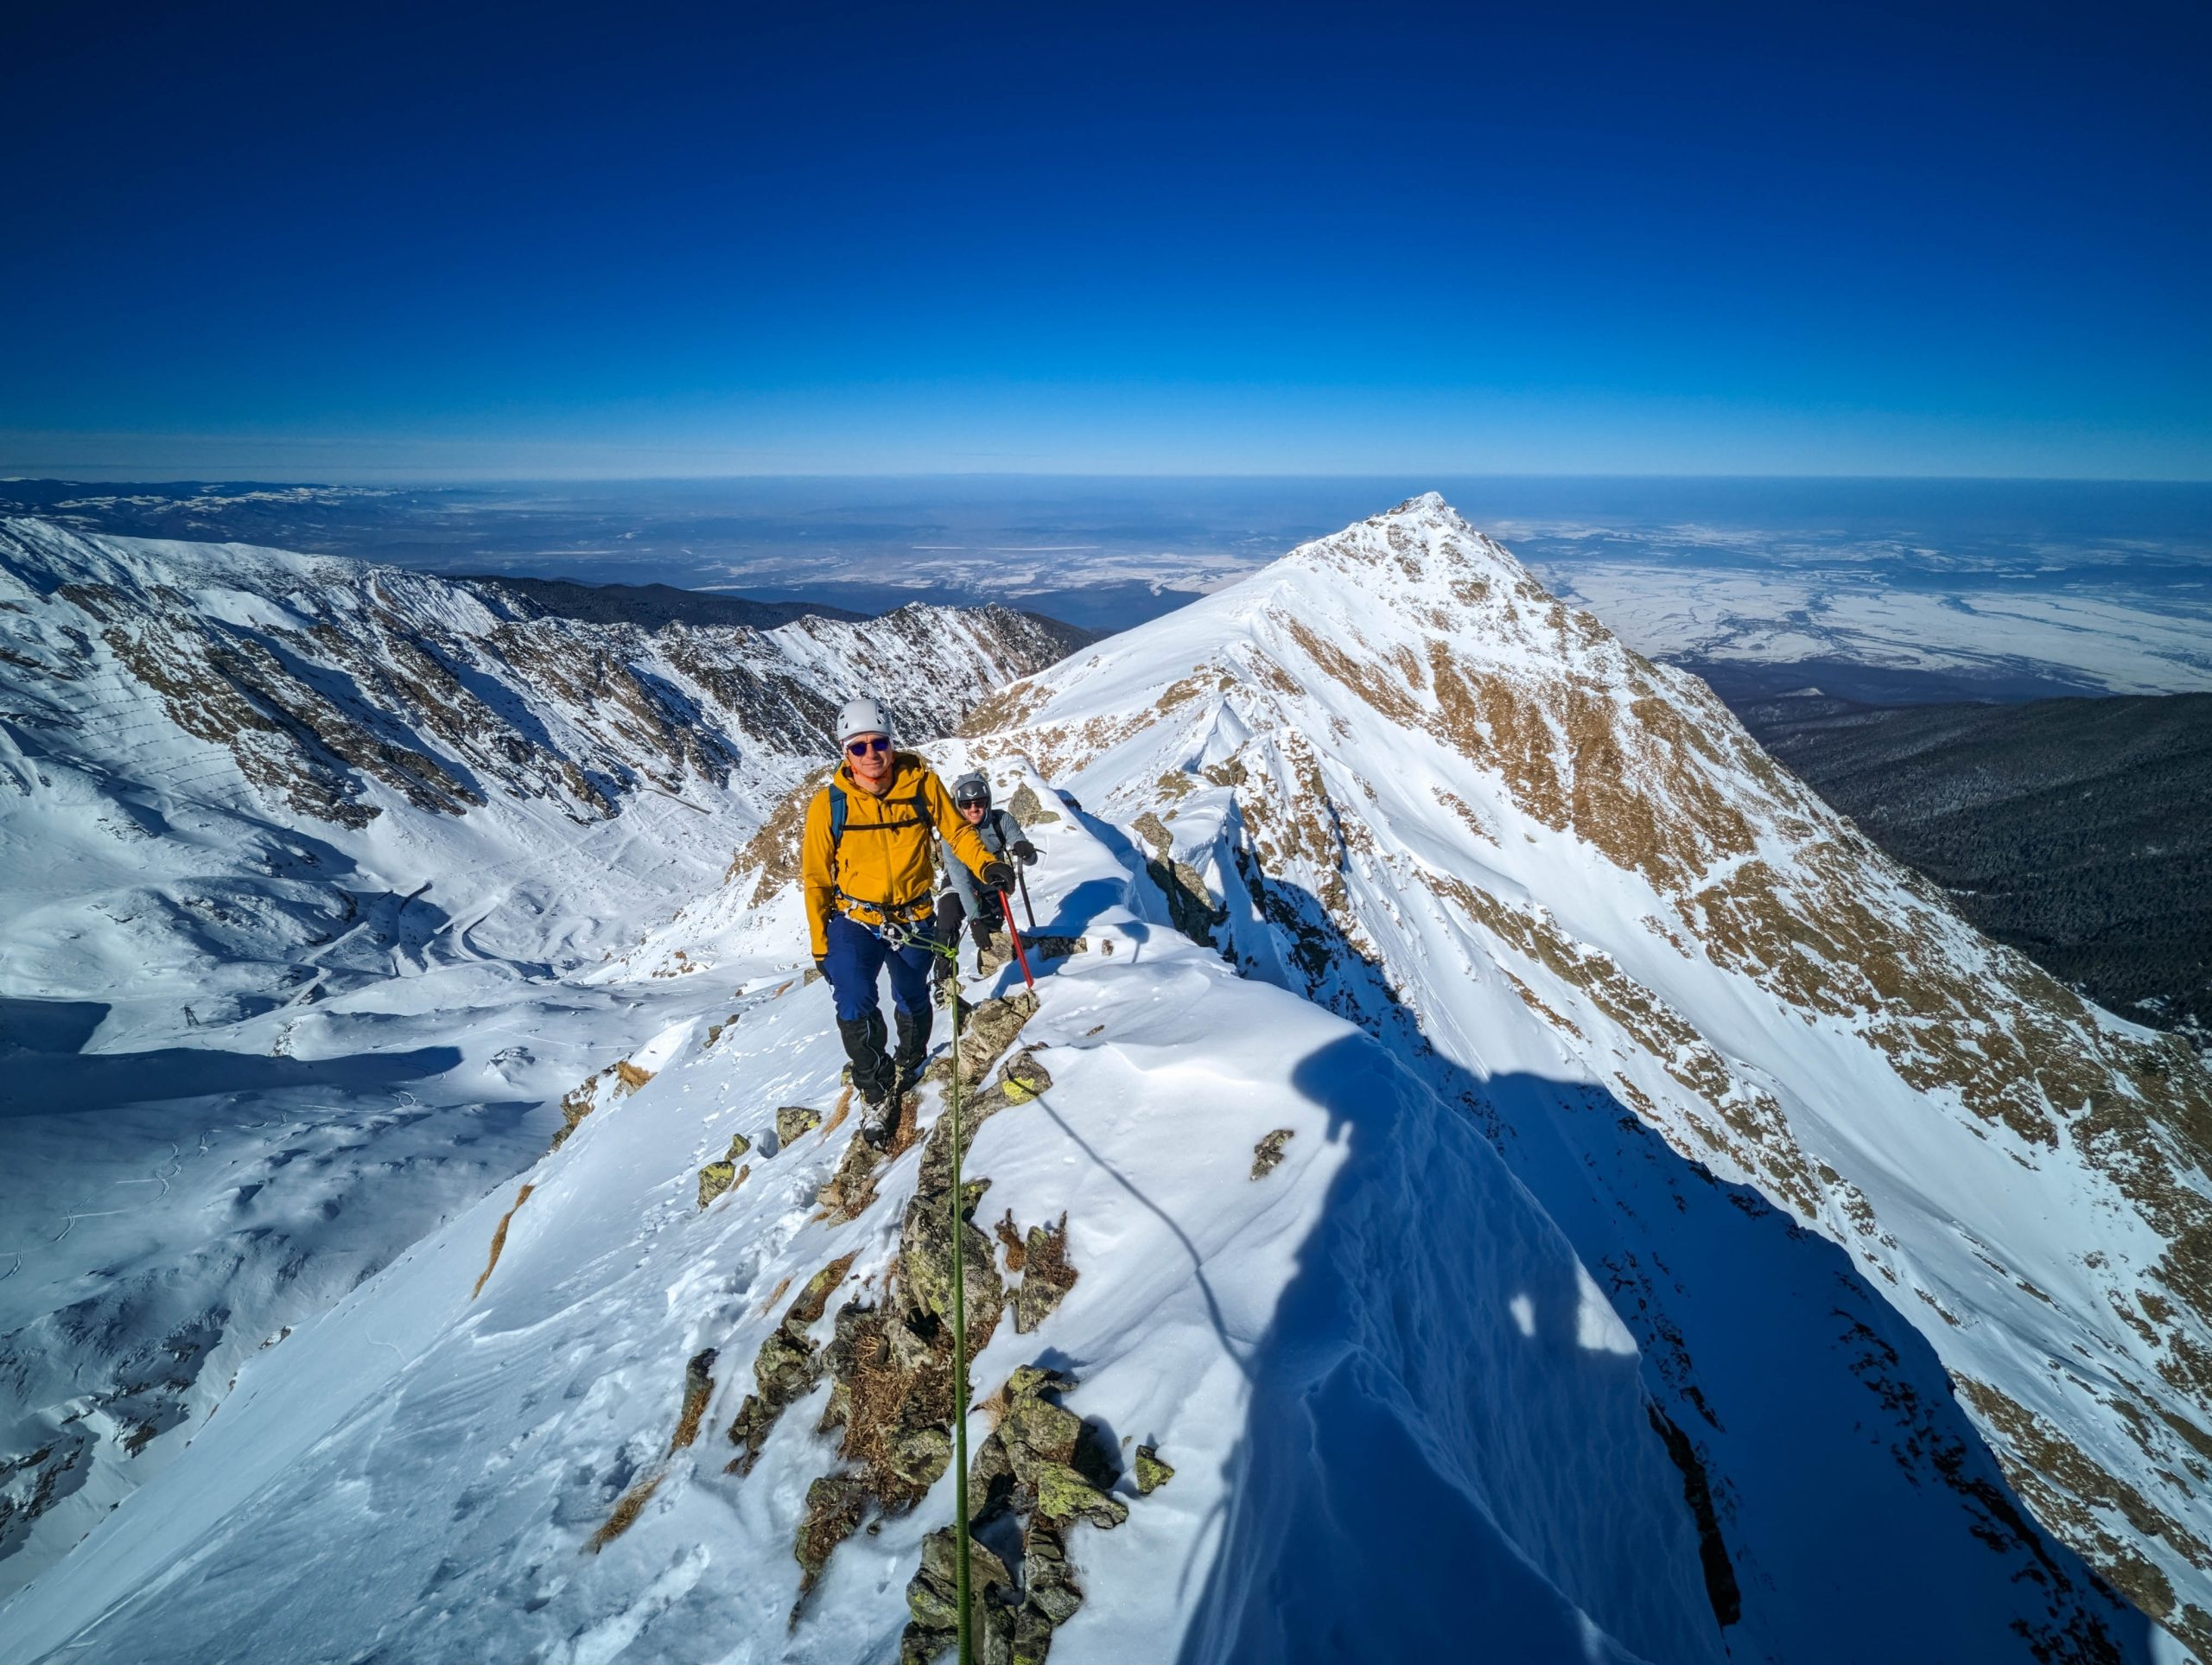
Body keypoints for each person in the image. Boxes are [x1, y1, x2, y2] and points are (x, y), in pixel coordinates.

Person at [801, 696, 1012, 1147]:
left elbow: (957, 832)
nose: (871, 754)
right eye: (859, 747)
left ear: (892, 744)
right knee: (854, 1000)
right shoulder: (829, 805)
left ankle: (911, 1062)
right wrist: (821, 943)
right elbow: (816, 877)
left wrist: (987, 863)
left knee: (913, 996)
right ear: (845, 752)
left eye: (879, 743)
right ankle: (874, 1090)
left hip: (914, 916)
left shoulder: (922, 785)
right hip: (855, 919)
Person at [932, 772, 1039, 977]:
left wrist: (1025, 850)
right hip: (958, 881)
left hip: (991, 882)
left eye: (979, 803)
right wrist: (974, 920)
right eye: (966, 804)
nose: (973, 809)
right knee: (948, 916)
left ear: (987, 801)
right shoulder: (951, 835)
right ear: (958, 806)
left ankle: (990, 975)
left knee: (990, 935)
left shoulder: (1001, 821)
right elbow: (960, 879)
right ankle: (944, 975)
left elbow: (1029, 857)